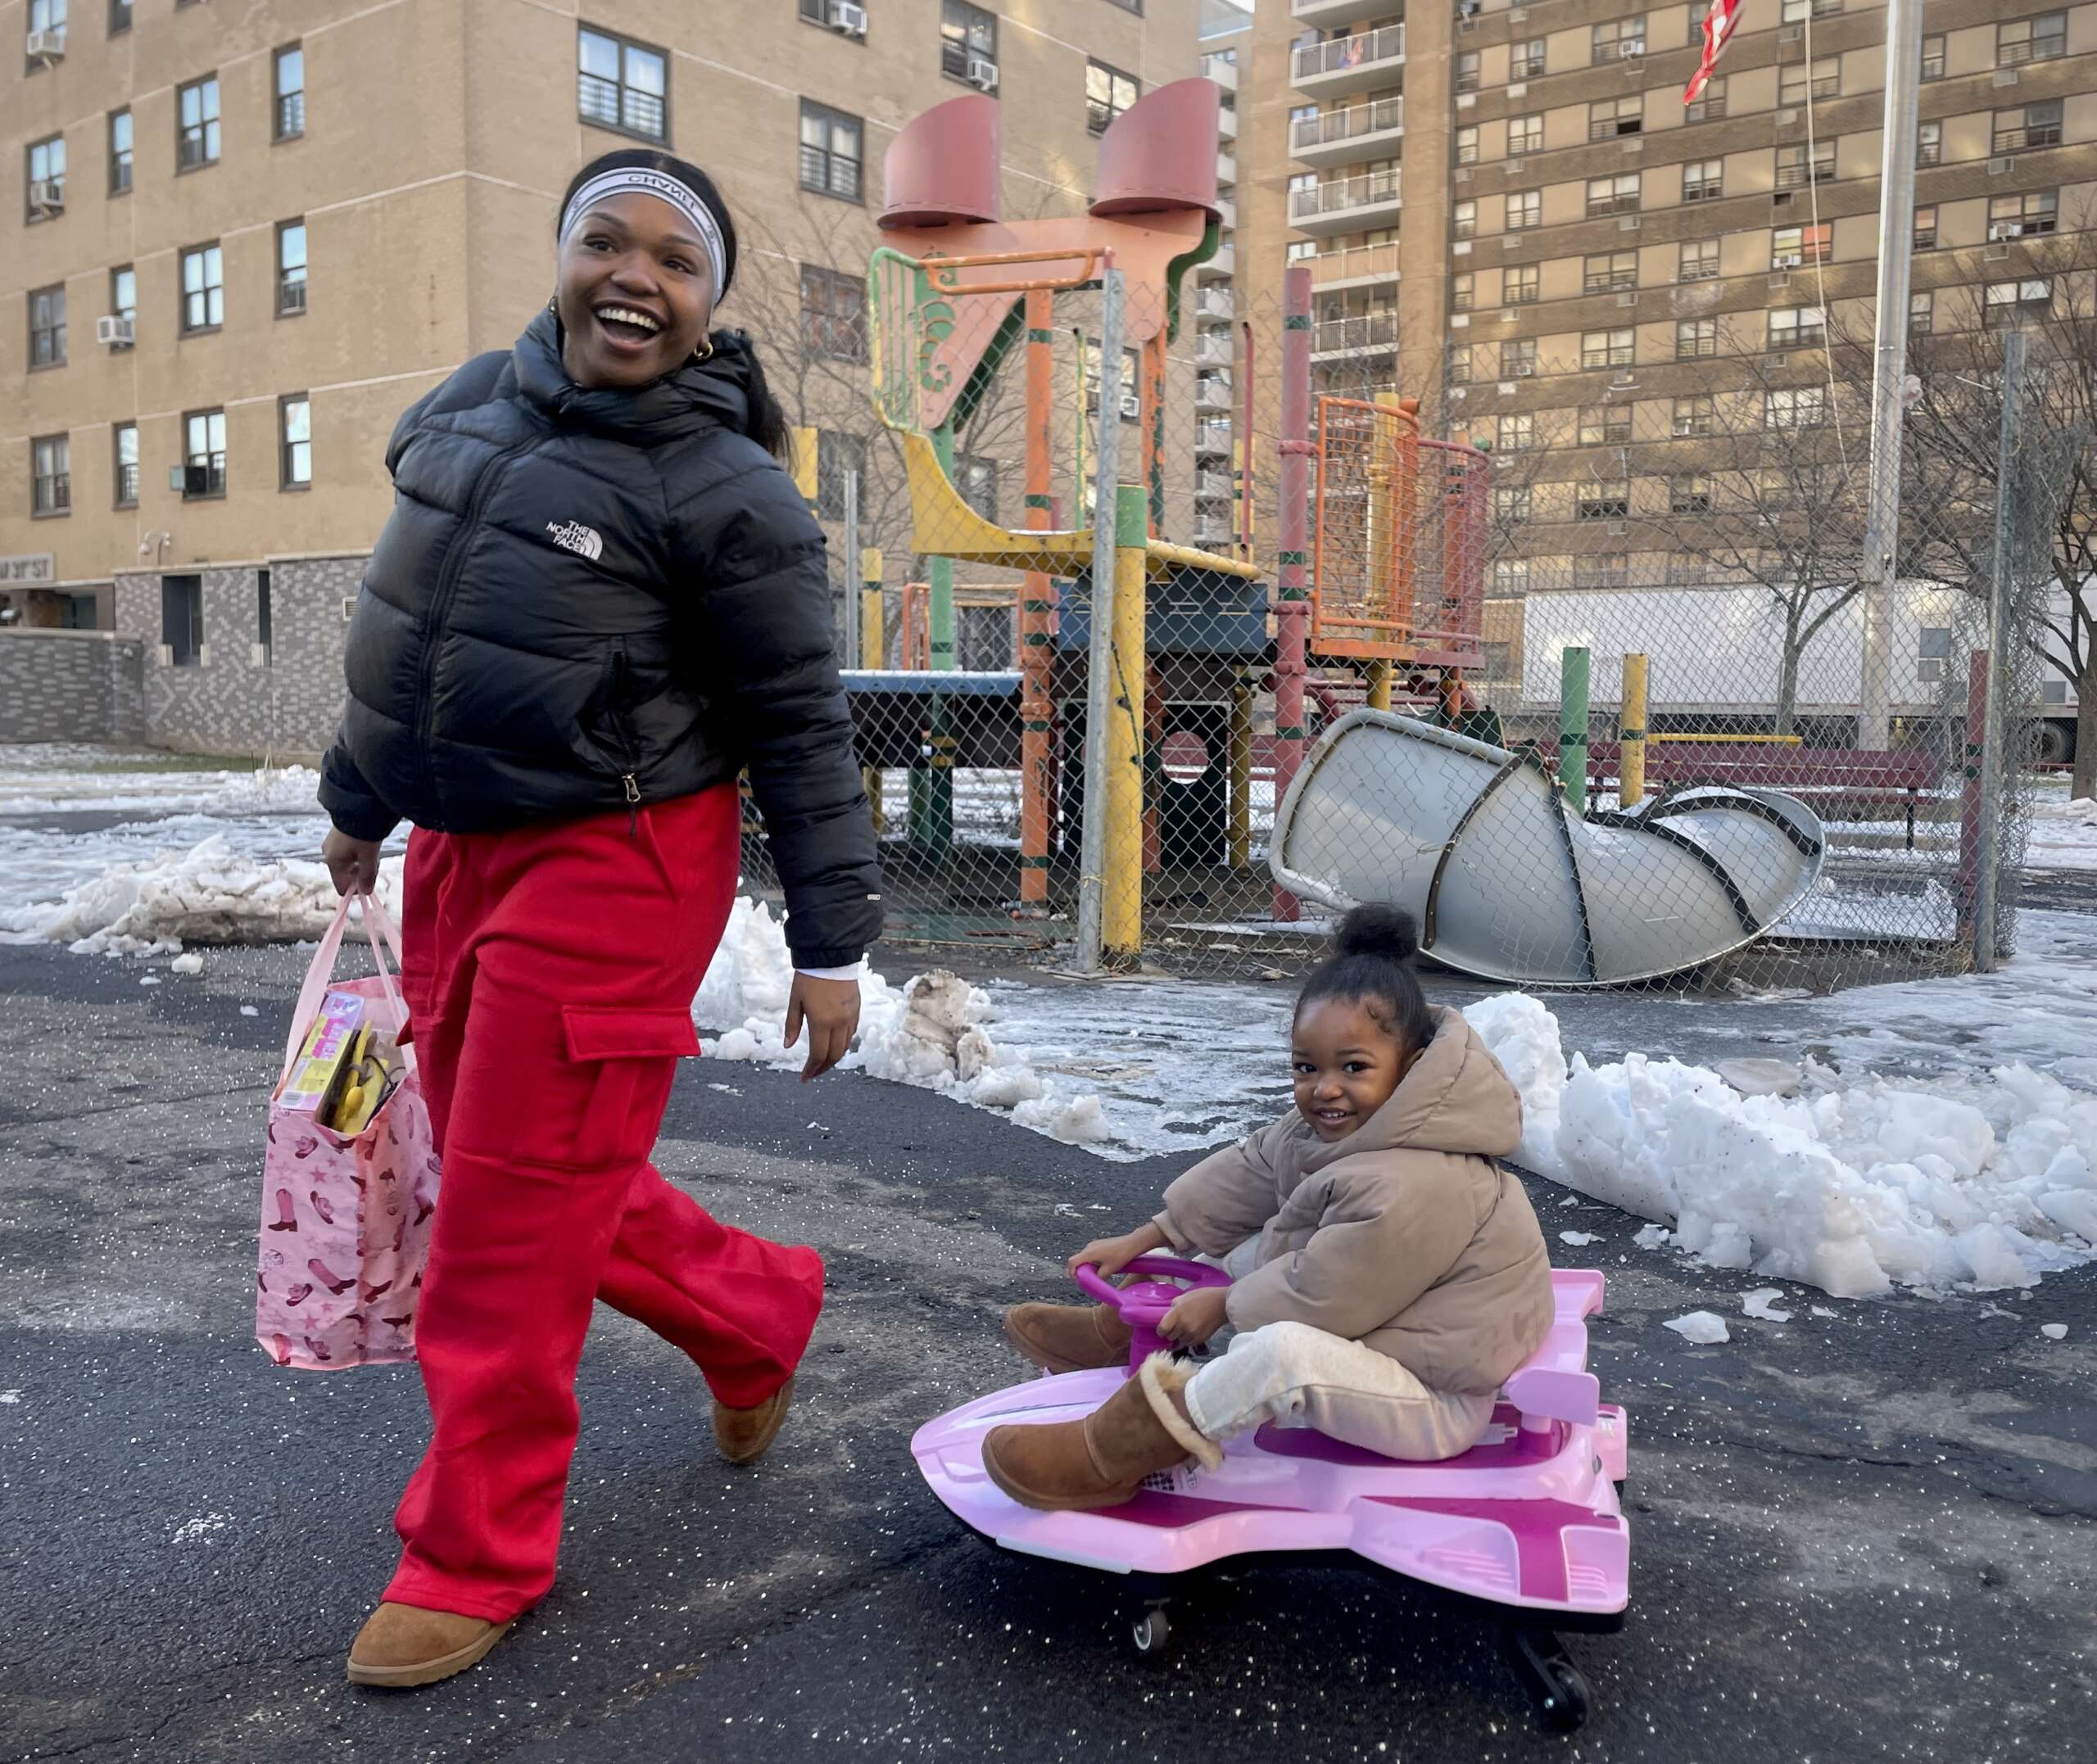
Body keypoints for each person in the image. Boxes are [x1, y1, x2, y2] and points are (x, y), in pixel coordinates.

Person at [315, 147, 881, 1688]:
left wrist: (831, 941)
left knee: (503, 1216)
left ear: (709, 303)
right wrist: (359, 798)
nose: (636, 276)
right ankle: (757, 1313)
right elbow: (408, 633)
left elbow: (802, 723)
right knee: (531, 1162)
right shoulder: (461, 412)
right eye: (605, 242)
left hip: (619, 859)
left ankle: (475, 1546)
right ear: (562, 257)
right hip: (460, 841)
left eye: (675, 261)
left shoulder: (729, 489)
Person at [982, 905, 1554, 1510]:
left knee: (1281, 1355)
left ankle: (1112, 1454)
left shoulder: (1425, 1180)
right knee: (1246, 1250)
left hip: (1431, 1392)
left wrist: (1225, 1304)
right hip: (1393, 1330)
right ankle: (1127, 1332)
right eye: (1307, 1067)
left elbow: (1329, 1293)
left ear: (1411, 1067)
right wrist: (1149, 1237)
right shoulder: (1360, 1126)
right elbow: (1252, 1169)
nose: (1324, 1088)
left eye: (1353, 1067)